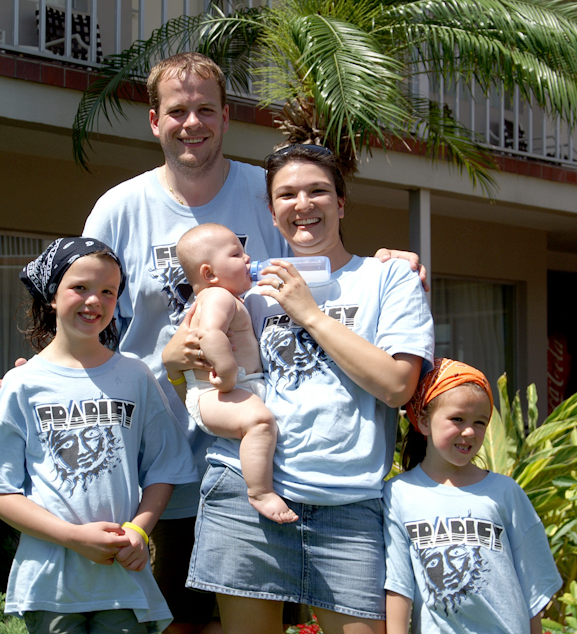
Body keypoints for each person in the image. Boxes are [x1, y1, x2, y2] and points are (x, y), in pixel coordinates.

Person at [79, 52, 427, 634]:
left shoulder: (265, 193)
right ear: (154, 120)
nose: (193, 123)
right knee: (178, 624)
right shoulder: (120, 206)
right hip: (163, 464)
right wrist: (50, 369)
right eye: (178, 110)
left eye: (206, 109)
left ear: (226, 116)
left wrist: (391, 261)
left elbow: (321, 264)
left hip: (289, 469)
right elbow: (83, 307)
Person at [177, 143, 435, 634]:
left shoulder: (388, 278)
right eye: (287, 194)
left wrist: (310, 314)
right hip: (245, 494)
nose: (303, 204)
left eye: (318, 191)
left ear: (341, 203)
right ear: (272, 212)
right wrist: (176, 356)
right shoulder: (245, 289)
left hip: (349, 503)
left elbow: (399, 386)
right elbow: (185, 355)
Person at [0, 237, 198, 634]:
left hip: (123, 577)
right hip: (49, 585)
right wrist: (73, 537)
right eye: (80, 287)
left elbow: (165, 467)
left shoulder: (135, 375)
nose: (94, 301)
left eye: (108, 291)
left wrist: (140, 529)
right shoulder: (22, 384)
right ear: (52, 294)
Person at [383, 358, 562, 634]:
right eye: (457, 419)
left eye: (480, 422)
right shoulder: (399, 494)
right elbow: (399, 586)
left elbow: (532, 587)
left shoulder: (505, 492)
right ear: (424, 421)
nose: (469, 431)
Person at [173, 223, 298, 524]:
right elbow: (210, 333)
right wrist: (227, 372)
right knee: (260, 421)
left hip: (232, 389)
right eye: (236, 254)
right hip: (215, 393)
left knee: (262, 421)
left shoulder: (228, 298)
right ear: (209, 274)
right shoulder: (218, 297)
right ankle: (259, 492)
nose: (248, 259)